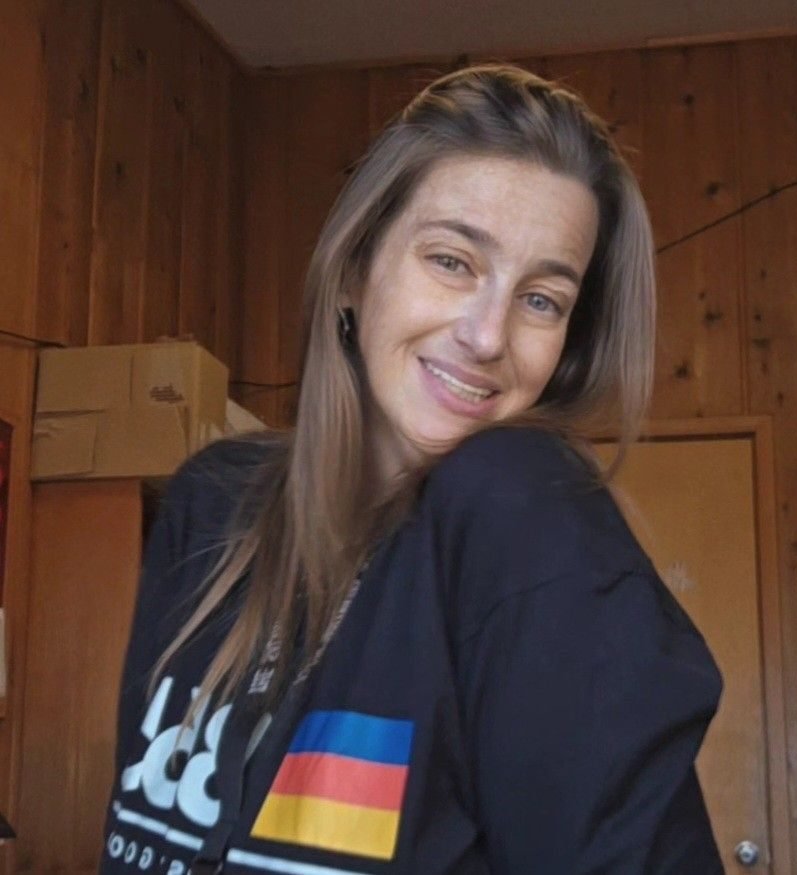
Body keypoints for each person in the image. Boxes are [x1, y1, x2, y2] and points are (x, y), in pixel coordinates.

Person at [100, 65, 724, 874]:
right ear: (357, 267)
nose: (488, 334)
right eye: (454, 261)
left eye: (543, 299)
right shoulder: (212, 503)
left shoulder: (525, 519)